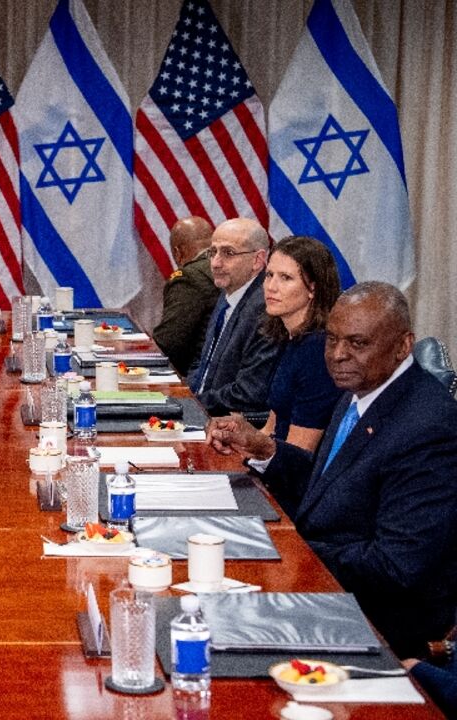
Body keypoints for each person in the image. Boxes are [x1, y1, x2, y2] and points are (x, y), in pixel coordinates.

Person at [208, 282, 457, 657]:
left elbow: (395, 565)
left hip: (373, 622)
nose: (338, 355)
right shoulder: (364, 389)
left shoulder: (428, 427)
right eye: (332, 340)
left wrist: (291, 554)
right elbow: (332, 485)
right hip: (323, 586)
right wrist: (267, 450)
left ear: (403, 346)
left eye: (357, 343)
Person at [256, 236, 342, 451]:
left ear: (313, 288)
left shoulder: (318, 351)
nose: (271, 287)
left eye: (285, 278)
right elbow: (270, 428)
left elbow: (299, 451)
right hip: (274, 459)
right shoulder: (291, 338)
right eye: (269, 275)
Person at [187, 217, 279, 418]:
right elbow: (202, 361)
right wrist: (185, 394)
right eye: (213, 252)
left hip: (227, 422)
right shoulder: (229, 291)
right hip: (202, 411)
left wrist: (190, 403)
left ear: (257, 260)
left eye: (228, 253)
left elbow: (249, 393)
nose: (216, 263)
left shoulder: (265, 309)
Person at [152, 216, 217, 376]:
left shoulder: (189, 277)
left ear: (178, 252)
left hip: (196, 376)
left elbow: (168, 343)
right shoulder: (226, 269)